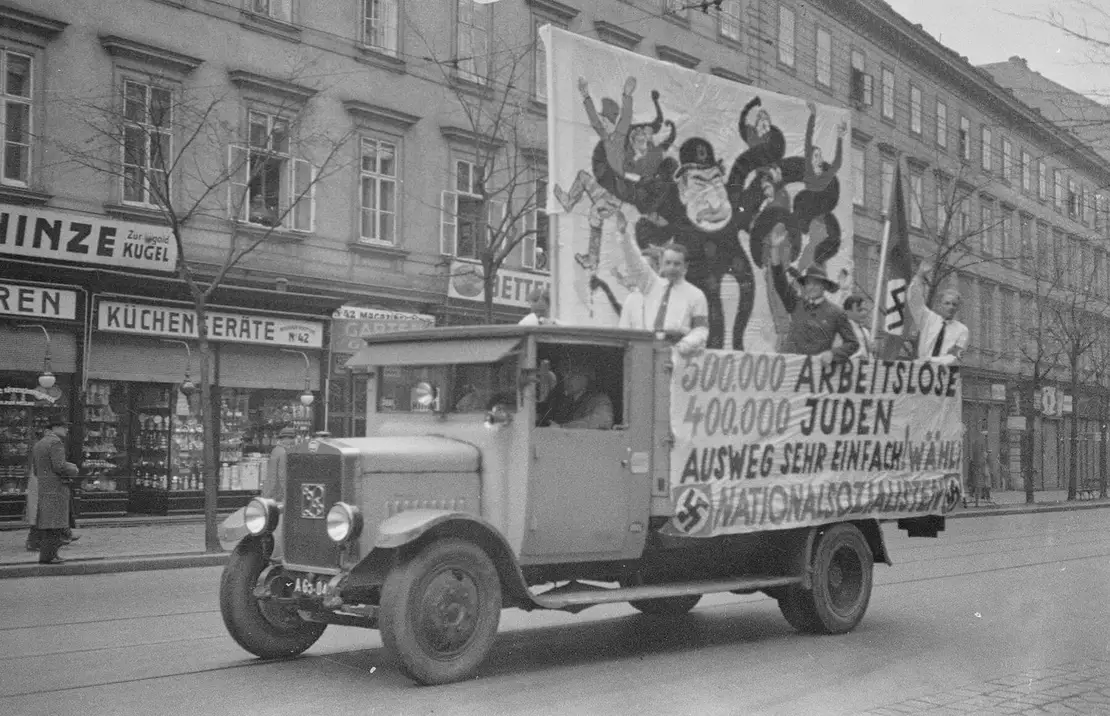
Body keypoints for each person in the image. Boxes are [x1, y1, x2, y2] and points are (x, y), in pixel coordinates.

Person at [618, 217, 709, 356]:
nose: (672, 268)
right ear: (661, 264)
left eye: (677, 264)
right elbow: (635, 264)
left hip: (676, 352)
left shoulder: (696, 295)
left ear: (685, 266)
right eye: (668, 263)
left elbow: (701, 329)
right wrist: (624, 237)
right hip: (645, 350)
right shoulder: (651, 285)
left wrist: (685, 345)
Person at [769, 237, 858, 362]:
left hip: (814, 375)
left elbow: (853, 343)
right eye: (809, 283)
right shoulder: (795, 303)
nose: (812, 287)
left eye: (817, 283)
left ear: (825, 286)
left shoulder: (836, 313)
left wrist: (833, 354)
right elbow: (780, 282)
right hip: (788, 370)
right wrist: (774, 249)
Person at [27, 418, 80, 565]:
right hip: (57, 489)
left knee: (47, 524)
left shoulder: (39, 444)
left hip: (44, 488)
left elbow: (37, 470)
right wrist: (74, 468)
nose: (67, 430)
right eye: (64, 427)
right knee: (56, 524)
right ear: (55, 427)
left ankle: (46, 556)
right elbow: (60, 467)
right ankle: (51, 556)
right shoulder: (56, 443)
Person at [908, 261, 969, 365]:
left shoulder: (962, 330)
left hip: (944, 374)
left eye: (954, 304)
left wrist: (931, 360)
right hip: (921, 370)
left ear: (958, 308)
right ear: (940, 305)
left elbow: (955, 357)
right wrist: (919, 276)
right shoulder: (928, 319)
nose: (951, 307)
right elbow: (914, 300)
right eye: (947, 303)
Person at [548, 364, 614, 430]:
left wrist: (562, 427)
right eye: (565, 376)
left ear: (585, 378)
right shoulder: (564, 402)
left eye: (572, 375)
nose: (567, 380)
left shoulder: (600, 400)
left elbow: (603, 421)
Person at [618, 246, 662, 329]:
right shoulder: (631, 298)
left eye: (648, 269)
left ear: (658, 269)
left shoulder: (670, 295)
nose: (644, 274)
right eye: (640, 270)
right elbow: (623, 330)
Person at [262, 426, 296, 502]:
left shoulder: (276, 450)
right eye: (292, 438)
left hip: (269, 490)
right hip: (276, 492)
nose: (294, 441)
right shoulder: (283, 453)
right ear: (287, 439)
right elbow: (282, 475)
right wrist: (287, 494)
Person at [842, 294, 874, 359]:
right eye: (859, 310)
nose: (864, 313)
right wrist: (856, 356)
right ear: (847, 312)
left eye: (865, 310)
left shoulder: (865, 331)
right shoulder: (841, 330)